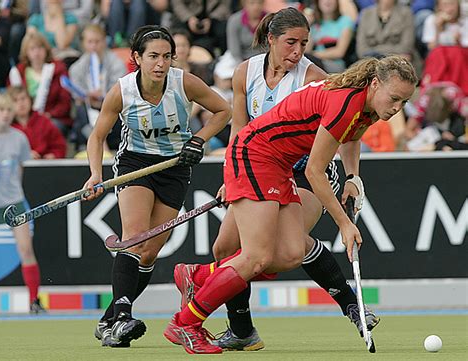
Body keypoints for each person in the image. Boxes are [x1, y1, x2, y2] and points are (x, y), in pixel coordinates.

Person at [164, 54, 417, 354]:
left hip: (279, 164)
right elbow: (314, 172)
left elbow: (351, 138)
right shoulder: (346, 102)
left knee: (291, 252)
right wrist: (344, 224)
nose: (397, 108)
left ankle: (199, 275)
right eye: (395, 99)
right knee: (256, 256)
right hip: (256, 154)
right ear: (375, 84)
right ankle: (185, 323)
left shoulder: (368, 106)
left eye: (404, 102)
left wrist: (353, 178)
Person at [83, 25, 231, 348]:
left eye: (166, 56)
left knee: (149, 253)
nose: (160, 64)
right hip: (135, 164)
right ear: (136, 58)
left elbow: (224, 111)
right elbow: (96, 137)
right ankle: (123, 317)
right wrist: (96, 174)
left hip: (175, 169)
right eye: (153, 56)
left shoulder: (183, 83)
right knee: (135, 238)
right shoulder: (122, 91)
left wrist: (198, 139)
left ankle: (108, 319)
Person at [0, 93, 46, 314]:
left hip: (13, 202)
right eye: (0, 110)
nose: (5, 115)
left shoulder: (19, 138)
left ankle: (34, 300)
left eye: (8, 110)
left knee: (25, 249)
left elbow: (21, 170)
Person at [69, 24, 126, 152]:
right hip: (88, 107)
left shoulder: (117, 64)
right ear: (84, 43)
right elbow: (77, 94)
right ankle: (98, 142)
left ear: (104, 41)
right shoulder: (76, 68)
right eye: (90, 42)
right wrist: (88, 96)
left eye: (97, 41)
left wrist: (103, 96)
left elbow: (119, 90)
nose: (93, 46)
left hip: (110, 105)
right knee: (80, 109)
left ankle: (100, 143)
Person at [7, 31, 73, 137]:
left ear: (46, 50)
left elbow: (65, 101)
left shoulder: (58, 69)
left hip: (52, 117)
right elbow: (10, 100)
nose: (36, 53)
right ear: (26, 52)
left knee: (50, 127)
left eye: (40, 48)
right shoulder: (18, 72)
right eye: (32, 49)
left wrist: (50, 114)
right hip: (23, 118)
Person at [9, 86, 67, 159]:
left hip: (43, 165)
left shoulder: (44, 121)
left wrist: (54, 155)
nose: (21, 103)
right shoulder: (7, 126)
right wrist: (25, 154)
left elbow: (59, 146)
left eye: (23, 98)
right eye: (15, 100)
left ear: (30, 100)